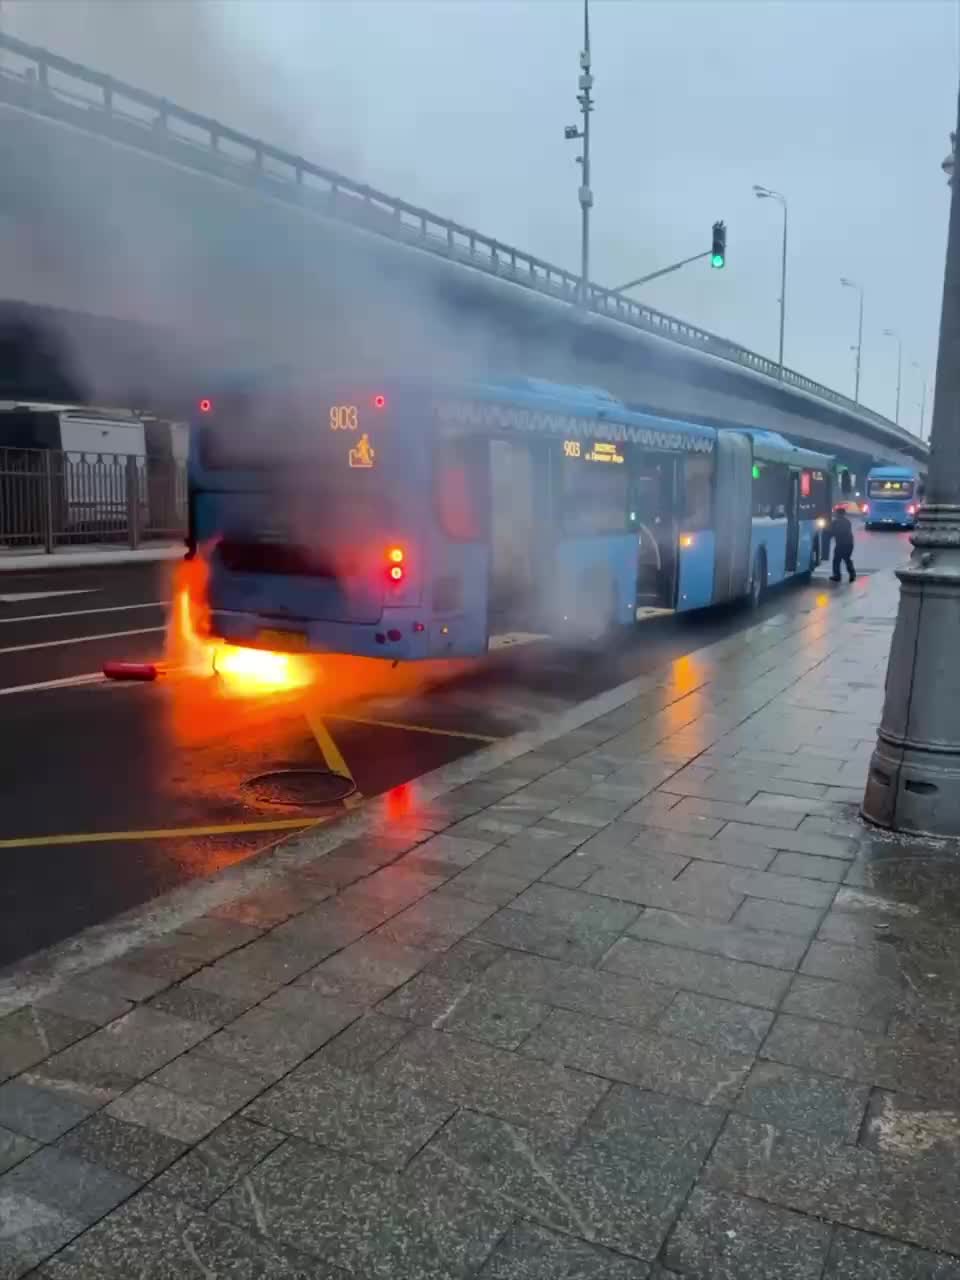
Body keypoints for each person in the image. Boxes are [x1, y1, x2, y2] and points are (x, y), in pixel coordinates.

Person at [829, 505, 856, 582]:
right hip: (849, 544)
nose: (835, 515)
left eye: (836, 513)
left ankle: (837, 576)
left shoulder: (836, 522)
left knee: (836, 560)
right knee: (847, 559)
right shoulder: (847, 522)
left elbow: (832, 532)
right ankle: (852, 574)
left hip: (841, 544)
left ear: (838, 514)